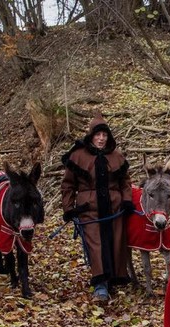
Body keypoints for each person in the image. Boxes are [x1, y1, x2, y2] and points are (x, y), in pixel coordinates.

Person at [61, 112, 135, 301]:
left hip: (114, 209)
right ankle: (100, 284)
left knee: (115, 243)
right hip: (89, 209)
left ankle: (113, 278)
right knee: (96, 245)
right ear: (91, 135)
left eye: (104, 135)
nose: (101, 139)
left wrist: (127, 200)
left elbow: (125, 182)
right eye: (98, 135)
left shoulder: (116, 156)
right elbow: (68, 185)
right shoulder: (78, 155)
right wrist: (69, 209)